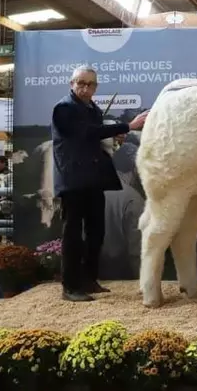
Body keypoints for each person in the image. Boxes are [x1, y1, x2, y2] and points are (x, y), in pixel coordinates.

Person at [51, 65, 148, 302]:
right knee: (73, 233)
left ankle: (89, 280)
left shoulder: (92, 108)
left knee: (96, 231)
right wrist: (128, 126)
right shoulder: (64, 108)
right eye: (80, 83)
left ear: (96, 87)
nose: (85, 88)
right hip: (73, 180)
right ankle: (70, 287)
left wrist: (114, 136)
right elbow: (86, 133)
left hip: (94, 180)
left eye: (90, 84)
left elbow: (94, 136)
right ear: (71, 83)